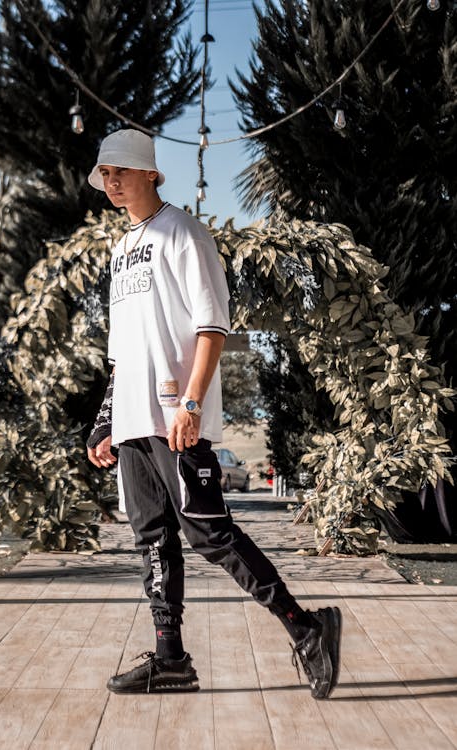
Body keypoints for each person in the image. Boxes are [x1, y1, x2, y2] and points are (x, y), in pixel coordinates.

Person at [86, 128, 342, 699]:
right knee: (151, 538)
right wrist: (107, 419)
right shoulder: (120, 248)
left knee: (209, 534)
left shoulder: (184, 232)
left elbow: (212, 326)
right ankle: (171, 659)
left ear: (150, 173)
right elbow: (121, 352)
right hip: (132, 420)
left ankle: (307, 629)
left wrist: (192, 403)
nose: (111, 181)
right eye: (105, 173)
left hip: (175, 415)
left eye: (120, 171)